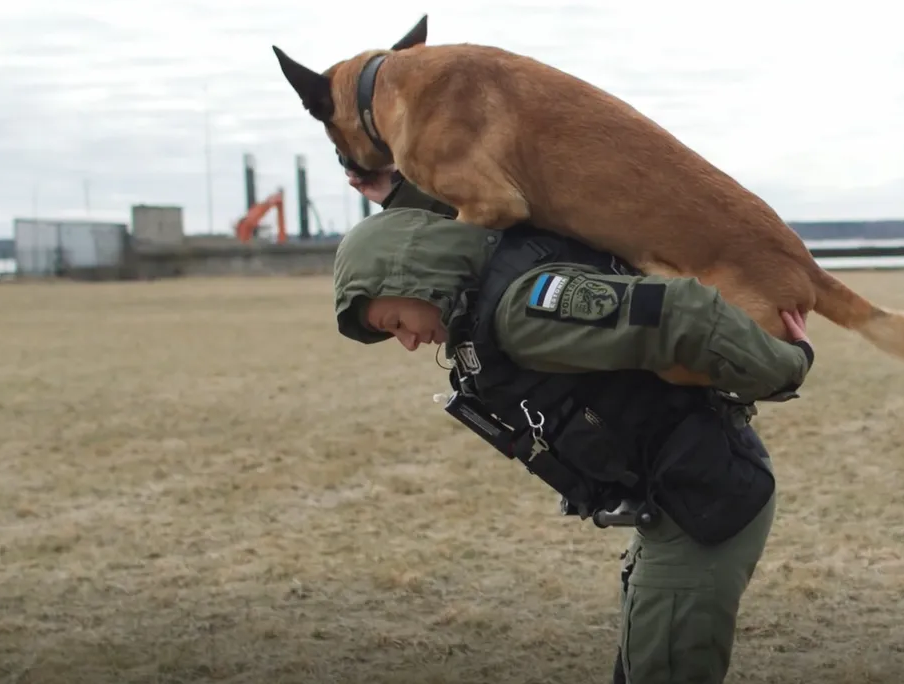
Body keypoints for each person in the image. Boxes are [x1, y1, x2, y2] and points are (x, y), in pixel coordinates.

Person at [334, 166, 815, 683]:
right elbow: (429, 230)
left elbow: (680, 314)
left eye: (395, 323)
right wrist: (393, 189)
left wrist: (786, 366)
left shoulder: (524, 310)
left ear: (412, 275)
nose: (407, 341)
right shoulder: (487, 285)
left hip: (705, 507)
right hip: (675, 501)